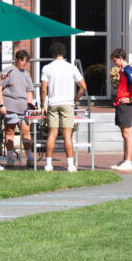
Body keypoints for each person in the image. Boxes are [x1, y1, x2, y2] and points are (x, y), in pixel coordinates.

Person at [38, 41, 85, 172]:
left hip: (53, 103)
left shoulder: (47, 68)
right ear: (64, 53)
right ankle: (70, 165)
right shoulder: (71, 67)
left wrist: (42, 105)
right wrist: (75, 100)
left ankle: (48, 164)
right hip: (67, 104)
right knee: (67, 135)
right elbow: (83, 87)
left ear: (52, 53)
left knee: (52, 134)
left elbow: (43, 89)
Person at [0, 47, 37, 167]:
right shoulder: (9, 71)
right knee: (9, 131)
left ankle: (29, 157)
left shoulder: (27, 74)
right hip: (10, 106)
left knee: (26, 132)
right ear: (17, 59)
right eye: (22, 60)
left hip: (23, 108)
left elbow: (29, 91)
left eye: (26, 61)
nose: (24, 63)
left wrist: (30, 106)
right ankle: (10, 157)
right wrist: (1, 105)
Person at [110, 48, 132, 172]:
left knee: (127, 133)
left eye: (115, 61)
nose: (114, 63)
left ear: (120, 58)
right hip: (121, 105)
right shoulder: (123, 70)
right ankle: (125, 160)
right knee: (124, 134)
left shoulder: (128, 69)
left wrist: (131, 98)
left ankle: (128, 161)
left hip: (126, 106)